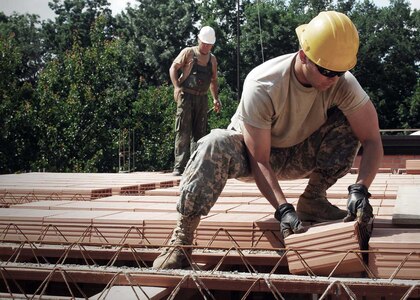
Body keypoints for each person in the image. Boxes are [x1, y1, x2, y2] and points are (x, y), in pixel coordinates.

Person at [153, 11, 383, 269]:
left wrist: (361, 189)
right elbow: (259, 158)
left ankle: (313, 200)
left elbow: (372, 139)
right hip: (253, 156)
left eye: (340, 72)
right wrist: (283, 210)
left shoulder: (341, 82)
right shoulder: (263, 83)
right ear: (304, 56)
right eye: (327, 71)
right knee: (212, 143)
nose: (334, 79)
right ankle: (181, 240)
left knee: (351, 120)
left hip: (297, 152)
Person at [170, 25, 222, 176]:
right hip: (186, 96)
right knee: (183, 132)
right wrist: (176, 87)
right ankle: (179, 167)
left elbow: (213, 80)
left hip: (202, 98)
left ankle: (196, 166)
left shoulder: (212, 59)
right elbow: (173, 68)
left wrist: (216, 99)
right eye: (204, 43)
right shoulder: (188, 53)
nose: (206, 46)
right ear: (199, 40)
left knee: (200, 134)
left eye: (209, 44)